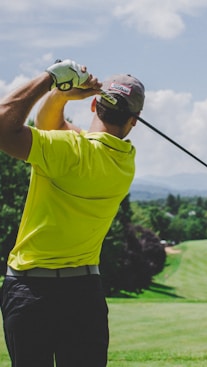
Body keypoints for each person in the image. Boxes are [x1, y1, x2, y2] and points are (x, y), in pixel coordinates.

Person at [0, 59, 145, 367]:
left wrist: (53, 80)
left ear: (94, 104)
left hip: (30, 290)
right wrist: (60, 95)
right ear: (135, 120)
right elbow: (52, 128)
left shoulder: (65, 150)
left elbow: (4, 127)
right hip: (84, 294)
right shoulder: (124, 164)